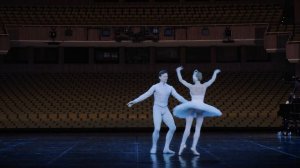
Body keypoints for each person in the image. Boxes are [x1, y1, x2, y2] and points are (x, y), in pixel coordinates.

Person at [127, 70, 187, 154]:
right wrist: (134, 101)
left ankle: (166, 148)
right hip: (157, 109)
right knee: (157, 128)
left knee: (173, 128)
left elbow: (178, 97)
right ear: (160, 77)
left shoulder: (170, 87)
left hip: (165, 109)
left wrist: (187, 103)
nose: (166, 77)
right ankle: (154, 146)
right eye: (165, 76)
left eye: (167, 76)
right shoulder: (155, 87)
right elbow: (146, 95)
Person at [174, 66, 222, 155]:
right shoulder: (204, 86)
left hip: (192, 107)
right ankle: (193, 147)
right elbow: (212, 80)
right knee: (198, 129)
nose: (192, 77)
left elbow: (181, 80)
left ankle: (182, 146)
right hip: (201, 108)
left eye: (193, 75)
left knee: (187, 128)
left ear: (195, 77)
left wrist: (178, 71)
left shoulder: (191, 86)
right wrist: (215, 73)